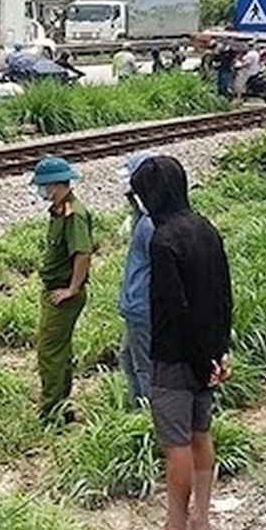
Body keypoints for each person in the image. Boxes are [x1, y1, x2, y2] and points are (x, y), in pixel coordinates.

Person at [127, 155, 232, 530]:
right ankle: (201, 521)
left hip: (175, 358)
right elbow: (224, 294)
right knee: (201, 433)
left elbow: (174, 308)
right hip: (208, 352)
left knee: (177, 446)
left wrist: (195, 358)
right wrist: (218, 352)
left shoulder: (163, 238)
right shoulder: (205, 228)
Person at [30, 156, 93, 425]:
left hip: (62, 294)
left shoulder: (74, 214)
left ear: (55, 186)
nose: (41, 192)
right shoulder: (60, 210)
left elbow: (83, 253)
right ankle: (61, 406)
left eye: (43, 187)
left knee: (49, 351)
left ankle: (51, 411)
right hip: (54, 290)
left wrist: (72, 288)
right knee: (58, 350)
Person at [117, 151, 157, 407]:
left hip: (144, 307)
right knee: (128, 359)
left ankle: (150, 416)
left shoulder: (152, 224)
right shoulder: (142, 217)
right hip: (136, 307)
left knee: (144, 367)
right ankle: (138, 409)